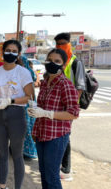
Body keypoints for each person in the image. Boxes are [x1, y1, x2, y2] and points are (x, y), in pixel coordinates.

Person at [28, 48, 79, 189]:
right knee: (43, 173)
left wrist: (47, 113)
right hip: (42, 134)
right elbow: (42, 108)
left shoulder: (65, 84)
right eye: (50, 60)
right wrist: (35, 114)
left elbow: (74, 113)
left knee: (52, 176)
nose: (52, 63)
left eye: (57, 61)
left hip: (56, 136)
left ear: (63, 65)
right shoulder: (45, 83)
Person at [0, 40, 34, 189]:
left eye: (14, 51)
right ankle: (2, 186)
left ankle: (17, 187)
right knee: (2, 154)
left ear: (18, 54)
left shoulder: (23, 72)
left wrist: (10, 100)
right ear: (3, 51)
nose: (10, 53)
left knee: (17, 155)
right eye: (8, 50)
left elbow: (29, 96)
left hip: (16, 115)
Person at [54, 32, 86, 181]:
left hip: (68, 108)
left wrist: (72, 107)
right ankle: (59, 164)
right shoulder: (58, 61)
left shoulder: (75, 62)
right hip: (56, 106)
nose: (59, 47)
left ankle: (66, 169)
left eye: (62, 44)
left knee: (65, 135)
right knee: (59, 135)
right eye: (57, 44)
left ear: (69, 45)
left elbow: (80, 87)